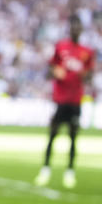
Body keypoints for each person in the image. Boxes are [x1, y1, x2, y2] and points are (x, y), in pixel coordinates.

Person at [35, 15, 94, 189]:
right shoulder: (61, 47)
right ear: (69, 29)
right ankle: (45, 169)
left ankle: (70, 171)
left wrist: (83, 73)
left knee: (73, 137)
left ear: (81, 30)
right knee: (52, 134)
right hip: (60, 99)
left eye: (78, 27)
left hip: (76, 100)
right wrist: (56, 72)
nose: (75, 30)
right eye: (73, 27)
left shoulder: (86, 52)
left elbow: (89, 75)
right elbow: (50, 70)